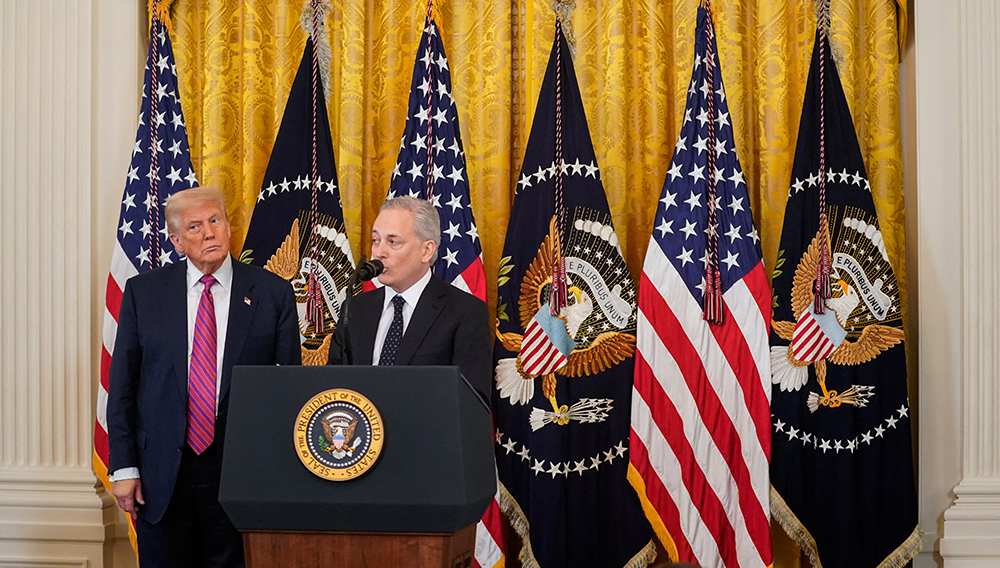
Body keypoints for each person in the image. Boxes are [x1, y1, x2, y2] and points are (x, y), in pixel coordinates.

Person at [107, 186, 301, 567]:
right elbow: (123, 387)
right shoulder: (143, 293)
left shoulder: (272, 293)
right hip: (159, 473)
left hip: (240, 472)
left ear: (228, 227)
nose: (209, 232)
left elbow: (287, 391)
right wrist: (125, 467)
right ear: (177, 242)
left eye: (216, 221)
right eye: (195, 227)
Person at [327, 196, 491, 399]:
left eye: (393, 242)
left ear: (426, 250)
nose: (379, 252)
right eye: (376, 240)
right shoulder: (356, 308)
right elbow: (332, 386)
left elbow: (470, 402)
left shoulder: (464, 311)